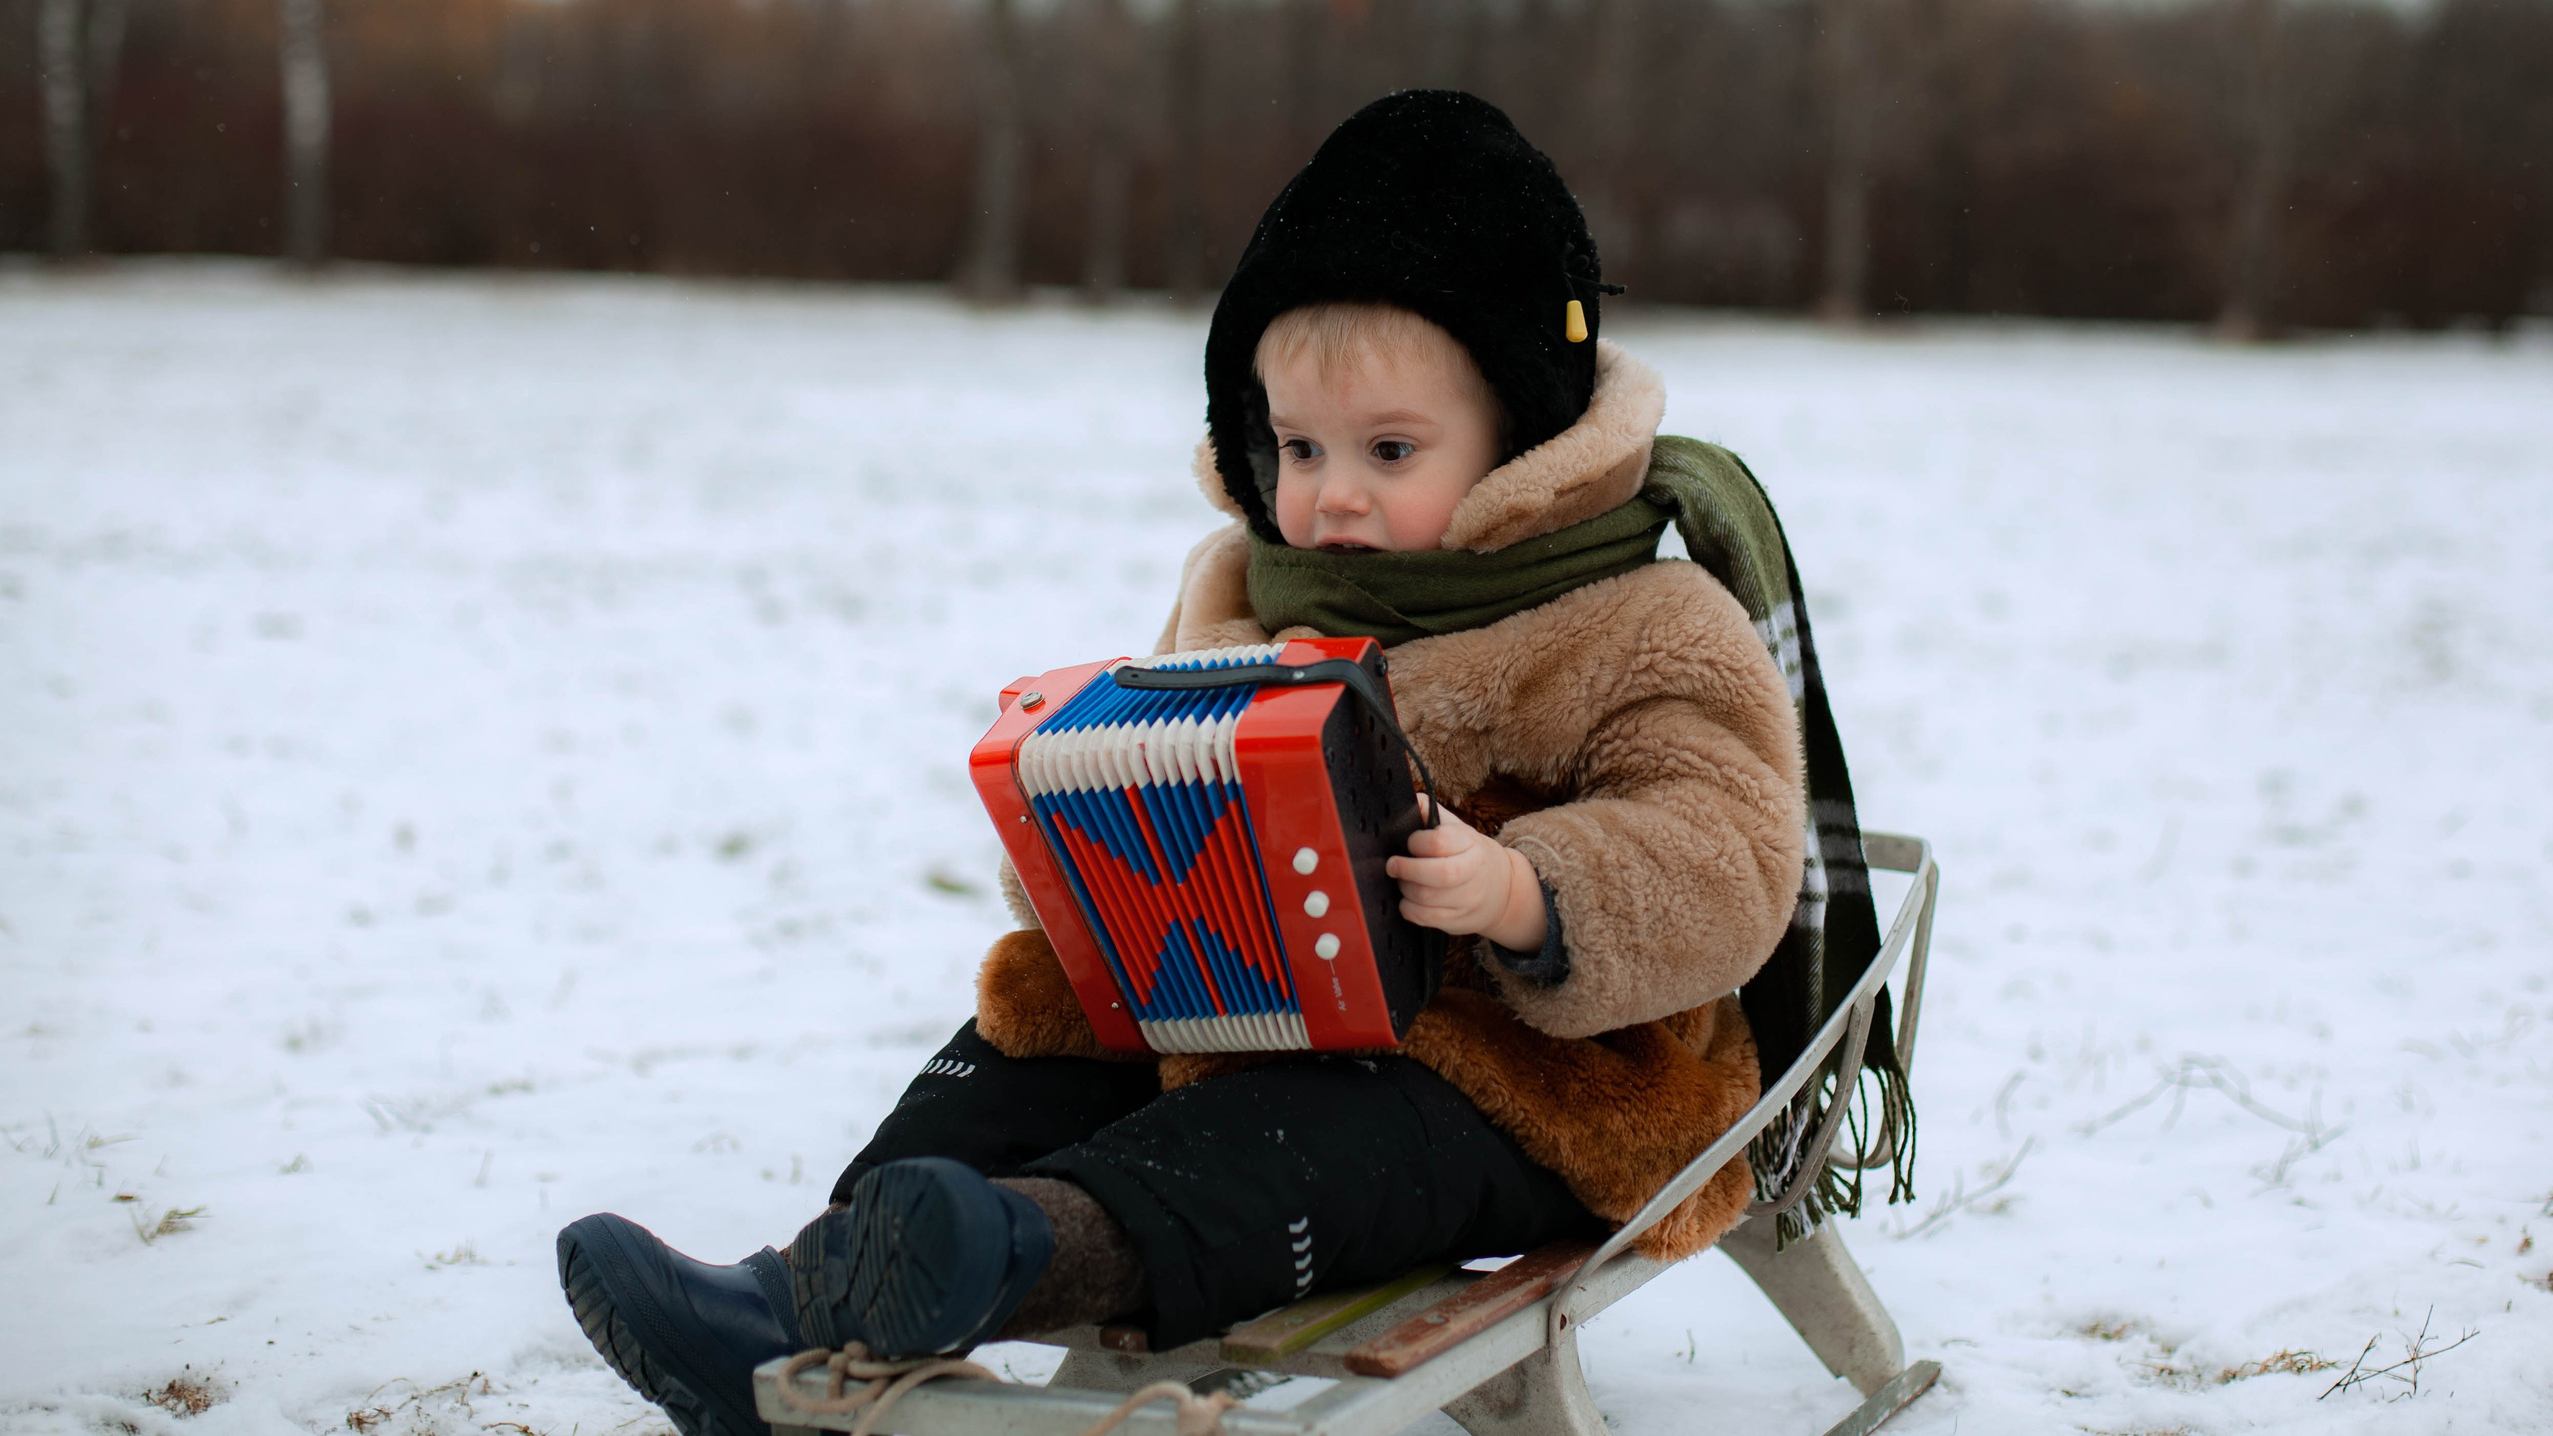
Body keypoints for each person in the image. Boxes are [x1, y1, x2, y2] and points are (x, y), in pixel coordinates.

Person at [556, 90, 1806, 1436]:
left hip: (1532, 1079)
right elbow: (1170, 773)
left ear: (1520, 434)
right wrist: (1083, 854)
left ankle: (1004, 1253)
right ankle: (807, 1287)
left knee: (1287, 1144)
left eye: (1390, 451)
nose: (1332, 491)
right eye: (1300, 447)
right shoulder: (1247, 592)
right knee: (1032, 1034)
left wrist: (1524, 890)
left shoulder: (1636, 621)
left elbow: (1732, 851)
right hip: (1252, 996)